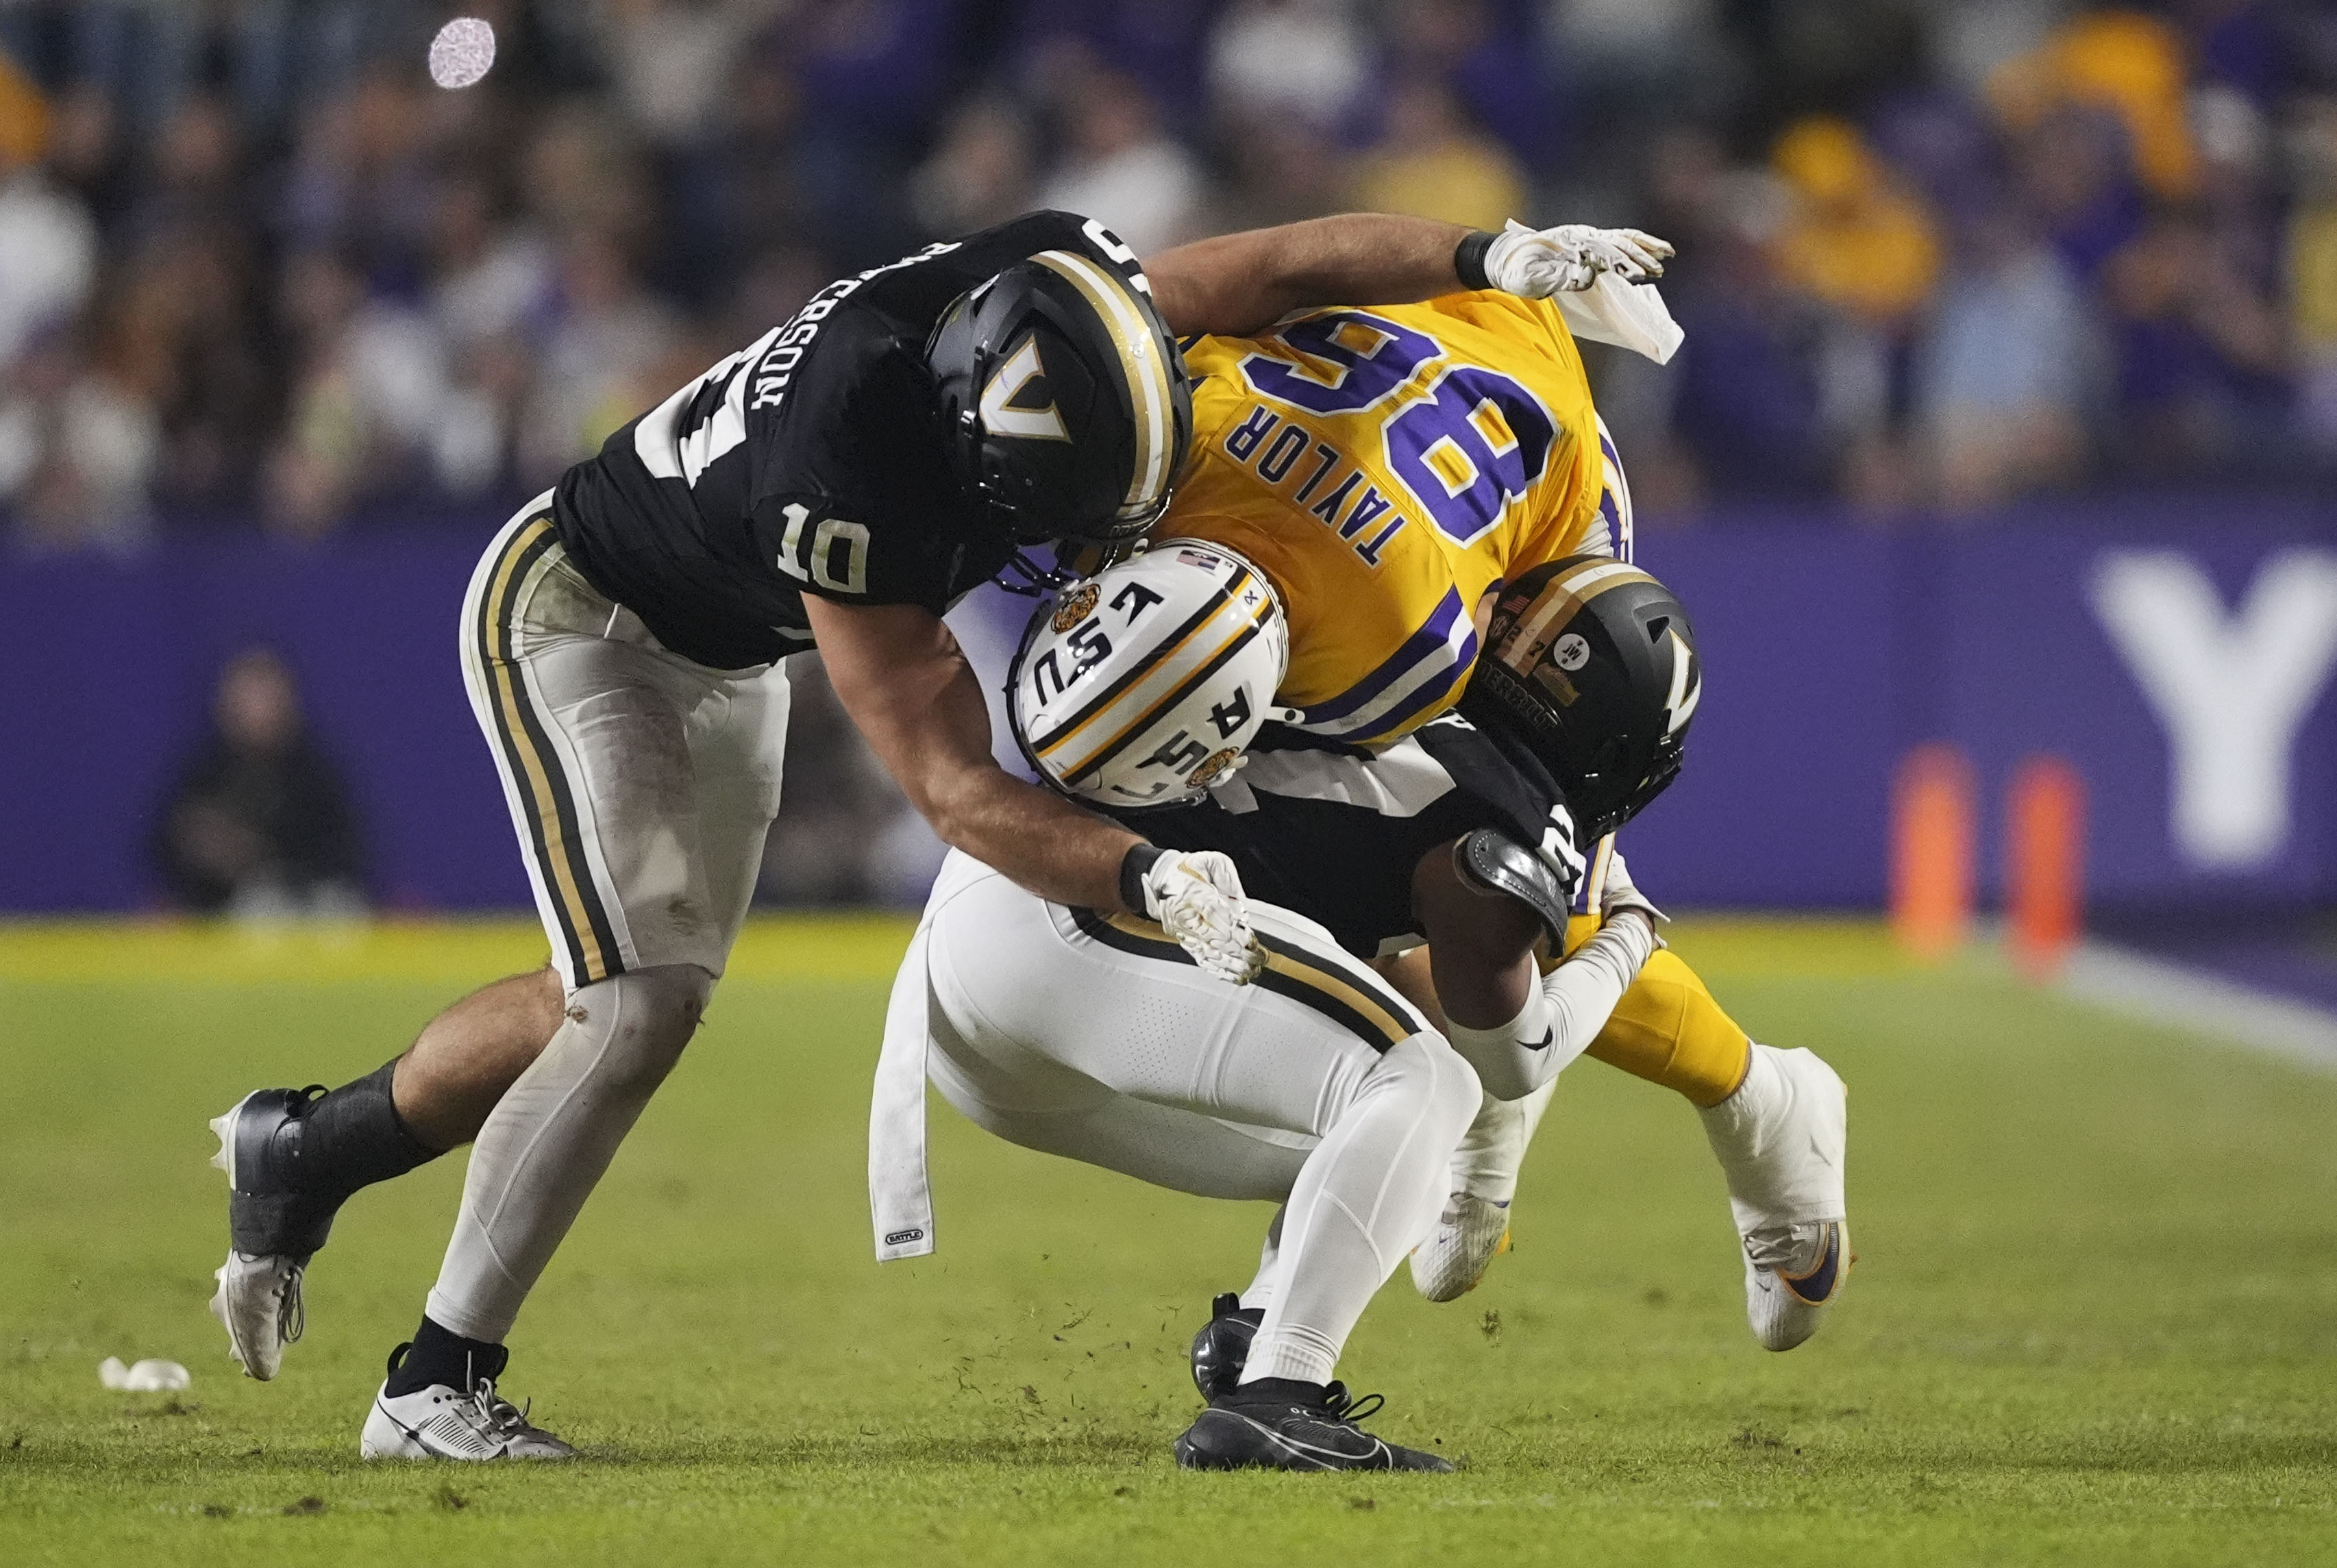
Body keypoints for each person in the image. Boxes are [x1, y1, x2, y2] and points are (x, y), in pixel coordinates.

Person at [201, 207, 1670, 1461]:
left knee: (612, 997)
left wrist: (1488, 254)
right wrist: (1147, 871)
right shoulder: (850, 467)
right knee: (632, 1005)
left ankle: (307, 1150)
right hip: (587, 619)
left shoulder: (1066, 290)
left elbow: (1280, 266)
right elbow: (949, 784)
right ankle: (433, 1385)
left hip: (737, 642)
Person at [864, 546, 1702, 1470]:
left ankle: (1259, 1335)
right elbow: (1516, 1054)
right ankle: (1279, 1397)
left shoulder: (1376, 663)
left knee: (1398, 1159)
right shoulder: (1506, 804)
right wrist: (1627, 935)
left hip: (987, 961)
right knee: (1428, 1085)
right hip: (1074, 917)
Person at [154, 648, 364, 917]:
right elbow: (166, 845)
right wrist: (204, 848)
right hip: (232, 910)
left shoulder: (315, 772)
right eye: (246, 699)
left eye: (266, 697)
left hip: (310, 900)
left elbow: (345, 852)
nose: (256, 710)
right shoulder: (206, 773)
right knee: (260, 909)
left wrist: (255, 853)